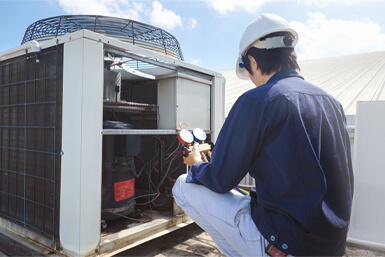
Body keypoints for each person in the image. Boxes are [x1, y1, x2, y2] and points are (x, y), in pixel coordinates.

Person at [172, 13, 353, 257]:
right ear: (292, 56)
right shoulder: (332, 103)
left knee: (183, 186)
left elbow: (220, 179)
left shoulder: (257, 100)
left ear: (252, 62)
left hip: (286, 245)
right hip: (331, 247)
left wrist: (195, 165)